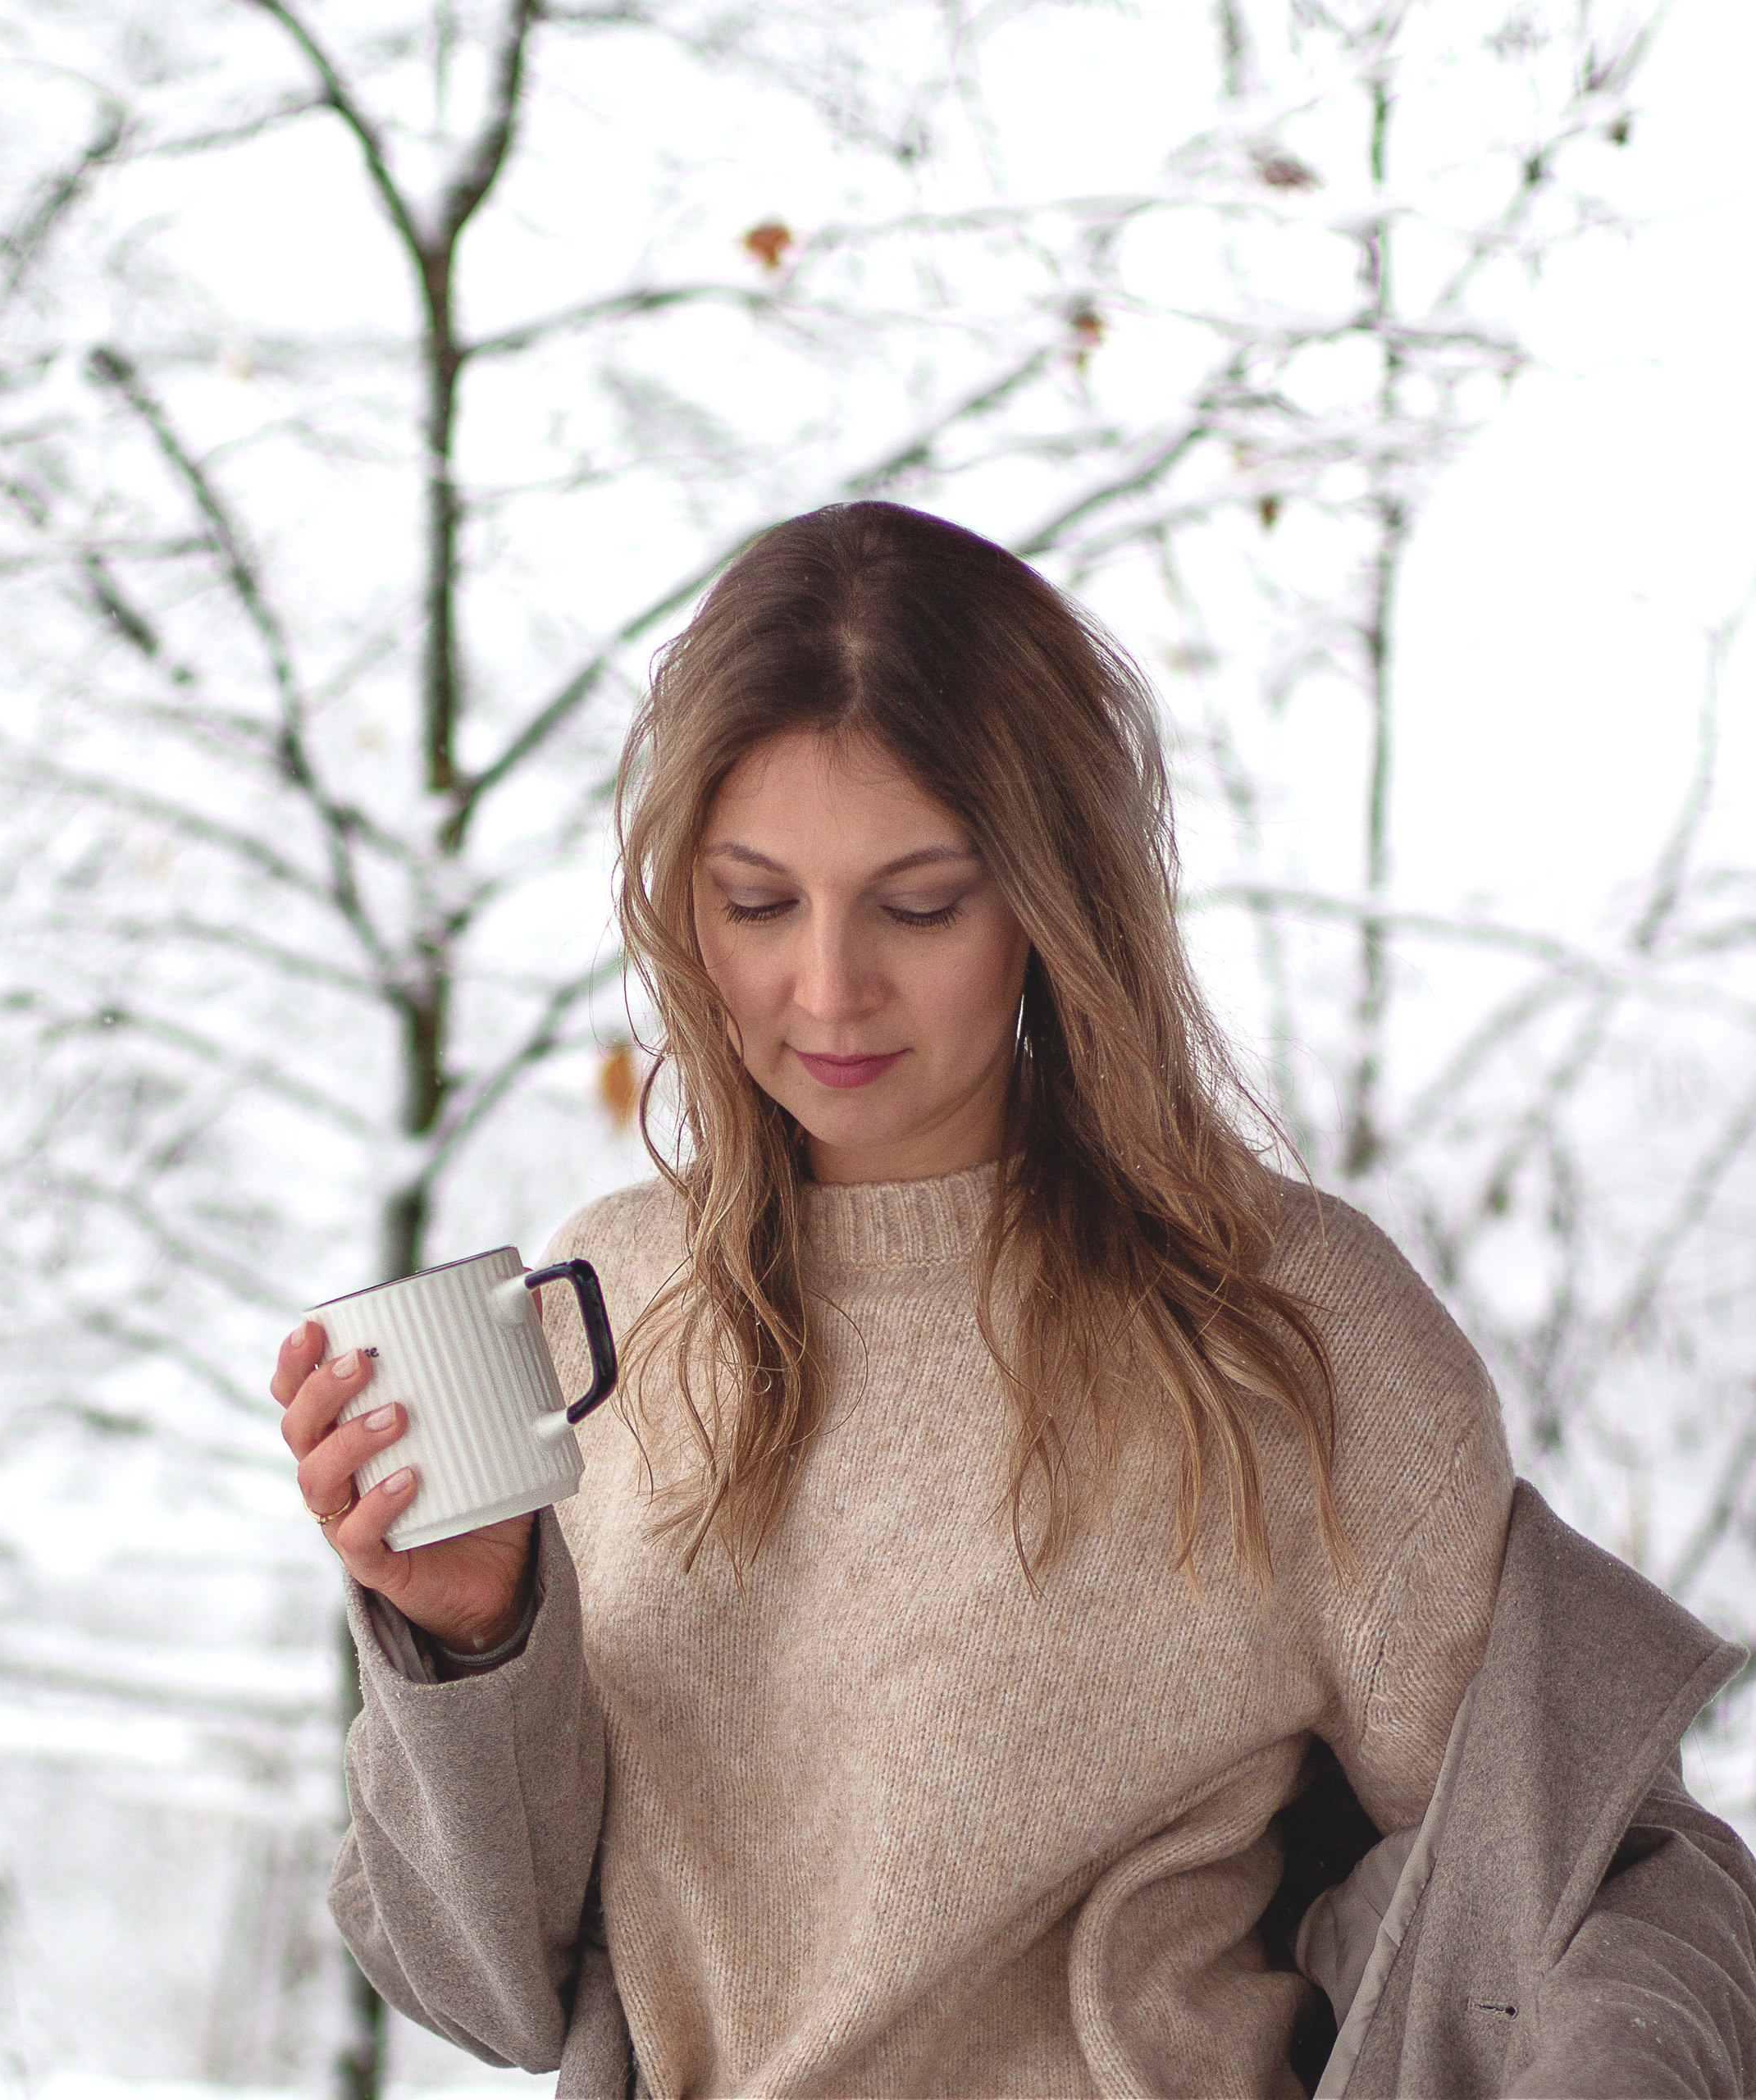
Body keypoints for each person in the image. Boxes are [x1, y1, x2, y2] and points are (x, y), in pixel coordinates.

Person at [271, 503, 1754, 2098]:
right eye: (757, 899)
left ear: (1052, 899)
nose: (828, 985)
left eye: (918, 902)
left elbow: (1589, 1869)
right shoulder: (612, 1305)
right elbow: (479, 1982)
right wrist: (468, 1634)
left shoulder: (1280, 1326)